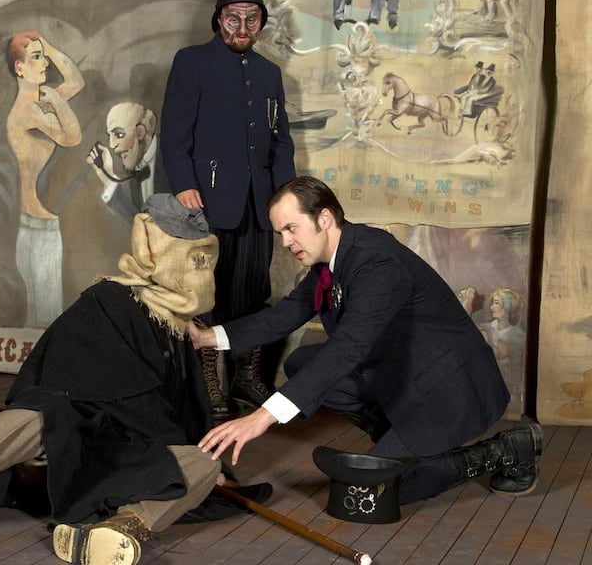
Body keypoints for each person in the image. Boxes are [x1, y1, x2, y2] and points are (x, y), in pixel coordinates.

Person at [0, 196, 232, 565]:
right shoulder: (107, 299)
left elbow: (187, 411)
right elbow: (53, 381)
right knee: (37, 413)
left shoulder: (183, 328)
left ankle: (123, 527)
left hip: (131, 452)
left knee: (205, 461)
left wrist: (197, 462)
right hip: (71, 446)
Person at [190, 176, 543, 508]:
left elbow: (348, 348)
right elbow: (285, 314)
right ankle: (396, 437)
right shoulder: (332, 260)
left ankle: (506, 449)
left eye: (290, 228)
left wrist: (263, 416)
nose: (285, 242)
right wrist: (209, 337)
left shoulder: (377, 262)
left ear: (324, 218)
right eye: (280, 232)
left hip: (448, 389)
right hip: (405, 372)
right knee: (302, 363)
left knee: (364, 495)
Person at [160, 0, 296, 421]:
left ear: (261, 23)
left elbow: (281, 144)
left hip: (259, 206)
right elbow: (175, 132)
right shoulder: (191, 62)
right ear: (219, 19)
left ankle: (245, 377)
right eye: (234, 17)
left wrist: (285, 201)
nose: (243, 27)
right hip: (207, 204)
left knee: (253, 294)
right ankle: (207, 382)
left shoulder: (268, 73)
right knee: (206, 296)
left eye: (251, 18)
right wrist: (183, 184)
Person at [6, 30, 85, 327]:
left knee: (41, 314)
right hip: (38, 231)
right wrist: (56, 98)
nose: (46, 64)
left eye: (44, 58)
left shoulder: (39, 103)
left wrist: (48, 48)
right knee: (45, 316)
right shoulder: (29, 111)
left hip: (36, 226)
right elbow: (72, 136)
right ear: (19, 67)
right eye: (36, 58)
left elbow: (77, 82)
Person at [87, 102, 168, 226]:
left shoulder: (172, 154)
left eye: (119, 135)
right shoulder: (137, 171)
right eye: (110, 136)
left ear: (140, 132)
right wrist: (107, 177)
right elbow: (139, 227)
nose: (112, 145)